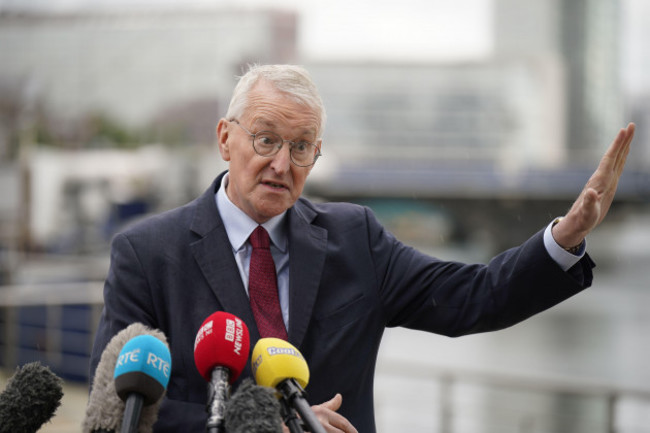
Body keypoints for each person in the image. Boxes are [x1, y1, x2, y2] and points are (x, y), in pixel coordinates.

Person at [89, 64, 635, 433]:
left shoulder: (355, 238)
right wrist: (254, 424)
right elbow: (114, 405)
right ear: (224, 137)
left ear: (317, 154)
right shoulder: (147, 253)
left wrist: (564, 237)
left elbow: (477, 297)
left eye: (301, 147)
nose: (282, 163)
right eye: (266, 139)